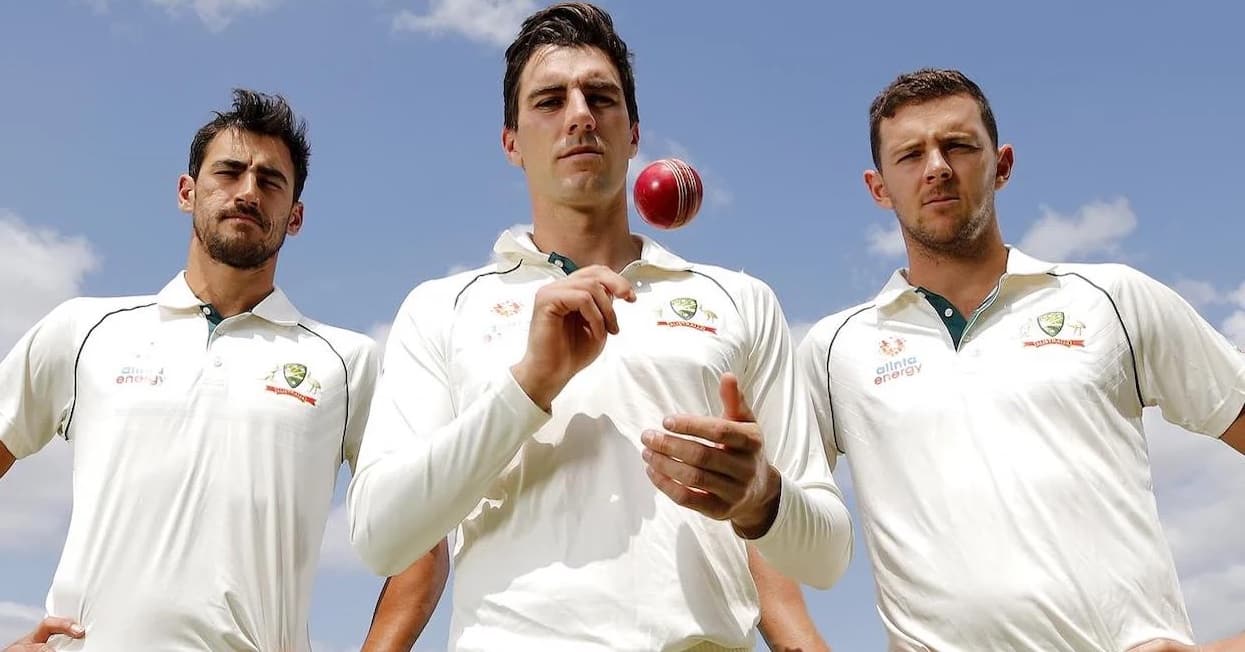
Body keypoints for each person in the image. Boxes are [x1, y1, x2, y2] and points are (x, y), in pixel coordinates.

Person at [347, 3, 852, 650]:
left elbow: (828, 556)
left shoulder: (739, 300)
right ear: (510, 143)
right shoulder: (441, 308)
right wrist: (529, 384)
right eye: (550, 101)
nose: (579, 115)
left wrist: (759, 496)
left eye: (601, 97)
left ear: (632, 132)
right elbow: (380, 535)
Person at [797, 68, 1245, 652]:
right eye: (910, 155)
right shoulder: (833, 351)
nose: (937, 167)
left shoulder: (1112, 297)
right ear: (879, 187)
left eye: (958, 146)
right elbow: (768, 510)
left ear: (1001, 165)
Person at [0, 89, 442, 651]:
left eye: (271, 181)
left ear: (296, 215)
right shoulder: (84, 330)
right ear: (187, 192)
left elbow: (425, 534)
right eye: (229, 172)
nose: (248, 192)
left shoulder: (349, 363)